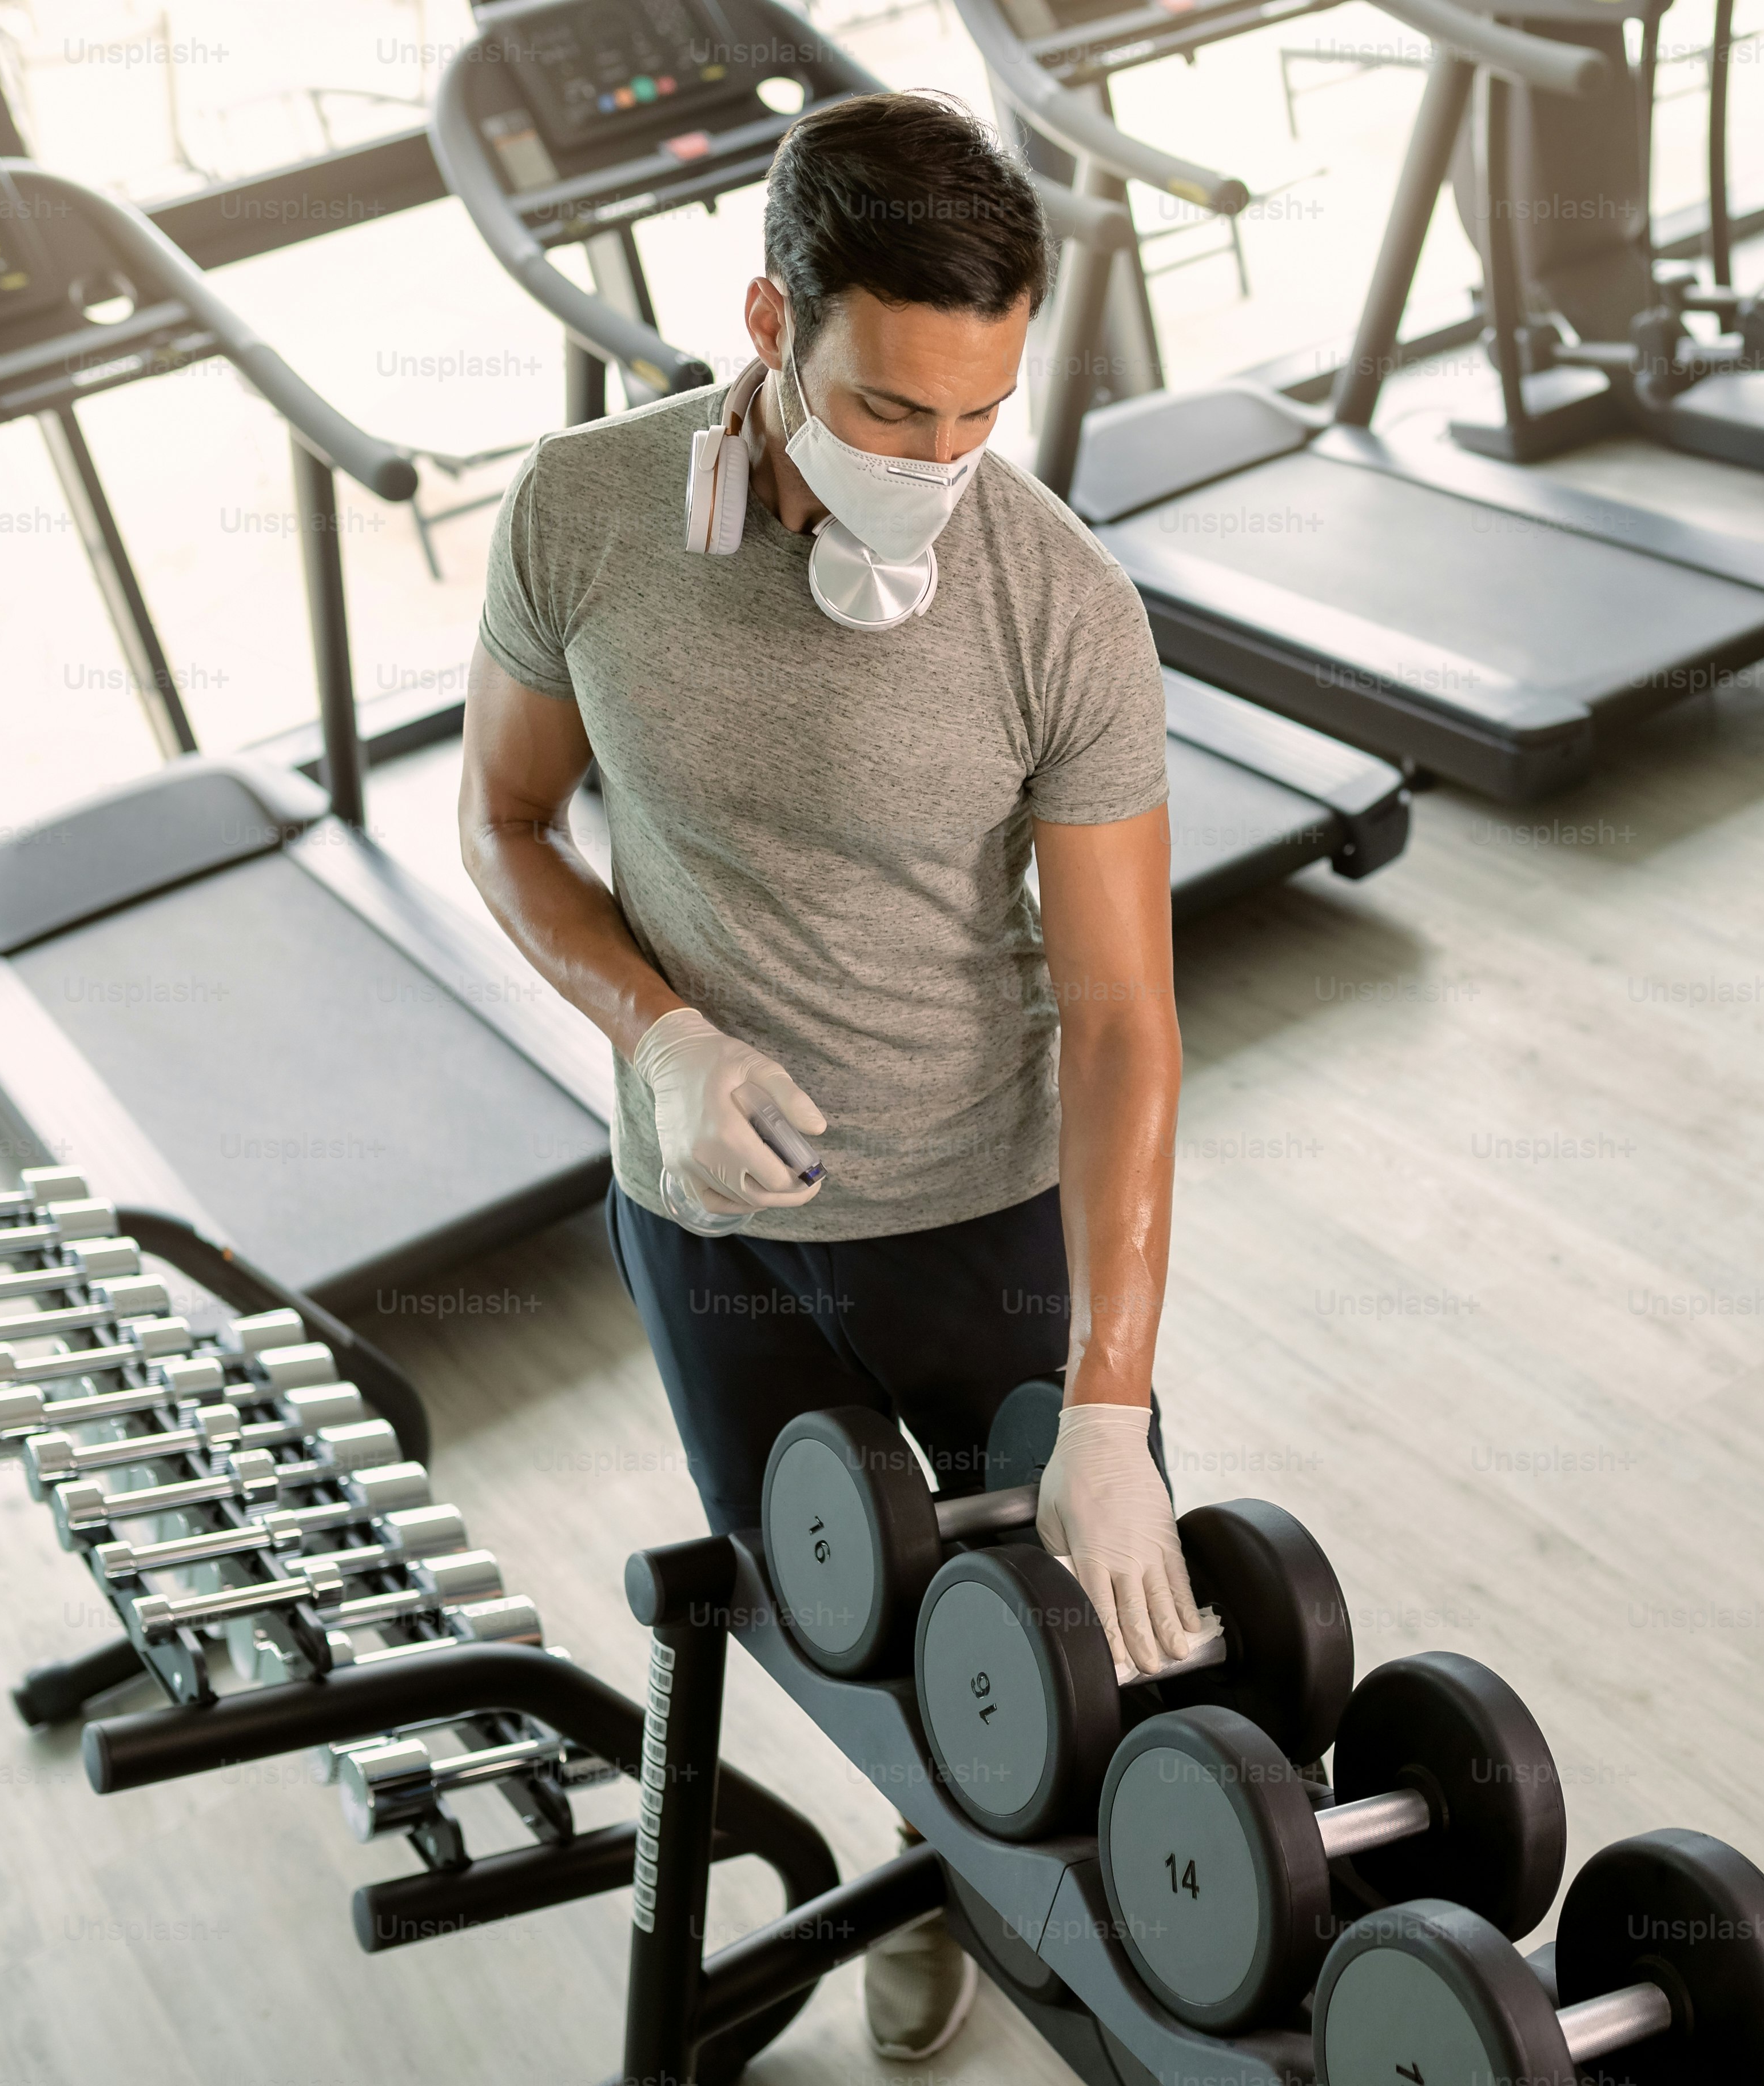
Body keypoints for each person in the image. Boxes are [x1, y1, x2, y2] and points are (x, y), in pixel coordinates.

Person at [455, 90, 1202, 2059]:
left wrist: (1113, 1401)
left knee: (1090, 1666)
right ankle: (920, 1859)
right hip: (706, 1224)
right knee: (830, 1617)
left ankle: (1095, 1943)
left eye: (984, 417)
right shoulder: (578, 512)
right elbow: (509, 823)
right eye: (894, 415)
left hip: (980, 1223)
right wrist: (661, 1036)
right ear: (774, 329)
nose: (941, 468)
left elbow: (1128, 1018)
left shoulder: (1062, 608)